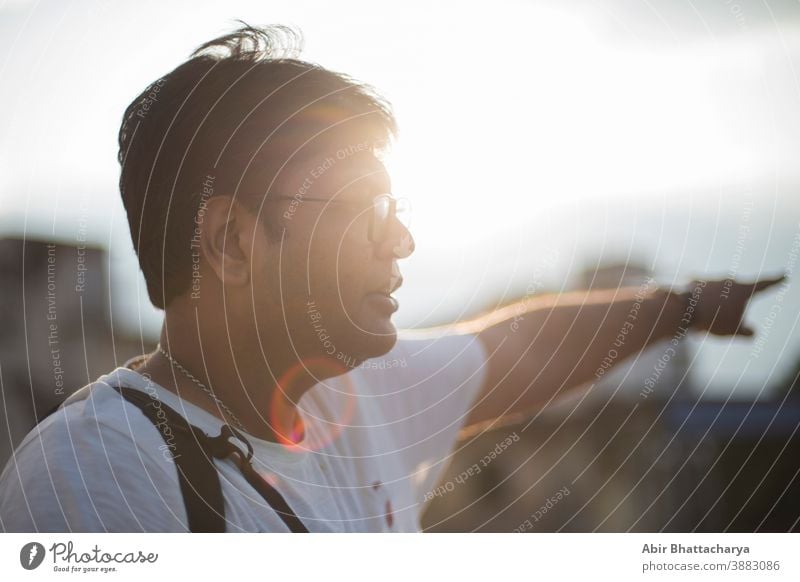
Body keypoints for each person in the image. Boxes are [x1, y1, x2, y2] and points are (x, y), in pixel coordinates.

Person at [0, 25, 783, 532]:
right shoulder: (94, 479)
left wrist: (685, 307)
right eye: (362, 209)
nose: (401, 239)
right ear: (232, 242)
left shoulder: (348, 394)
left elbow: (523, 351)